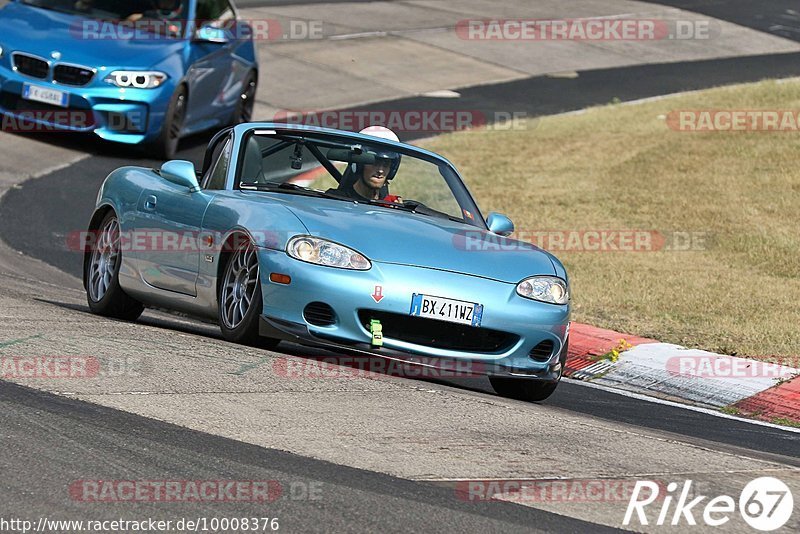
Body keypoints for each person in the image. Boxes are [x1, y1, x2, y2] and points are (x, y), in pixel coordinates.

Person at [329, 126, 403, 203]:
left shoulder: (392, 205)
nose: (380, 170)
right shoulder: (334, 202)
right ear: (359, 164)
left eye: (386, 164)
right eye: (374, 162)